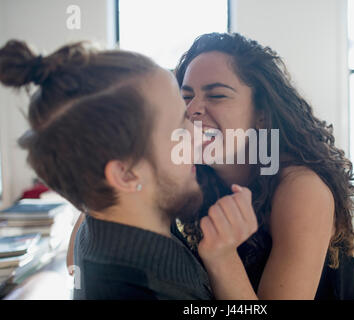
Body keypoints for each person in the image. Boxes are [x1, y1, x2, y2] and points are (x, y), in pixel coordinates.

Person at [0, 40, 257, 300]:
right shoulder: (153, 291)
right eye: (180, 127)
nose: (198, 137)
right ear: (125, 174)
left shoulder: (98, 222)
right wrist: (225, 259)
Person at [174, 32, 354, 300]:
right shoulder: (199, 177)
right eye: (186, 96)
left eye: (216, 95)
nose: (193, 109)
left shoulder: (301, 189)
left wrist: (222, 256)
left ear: (261, 115)